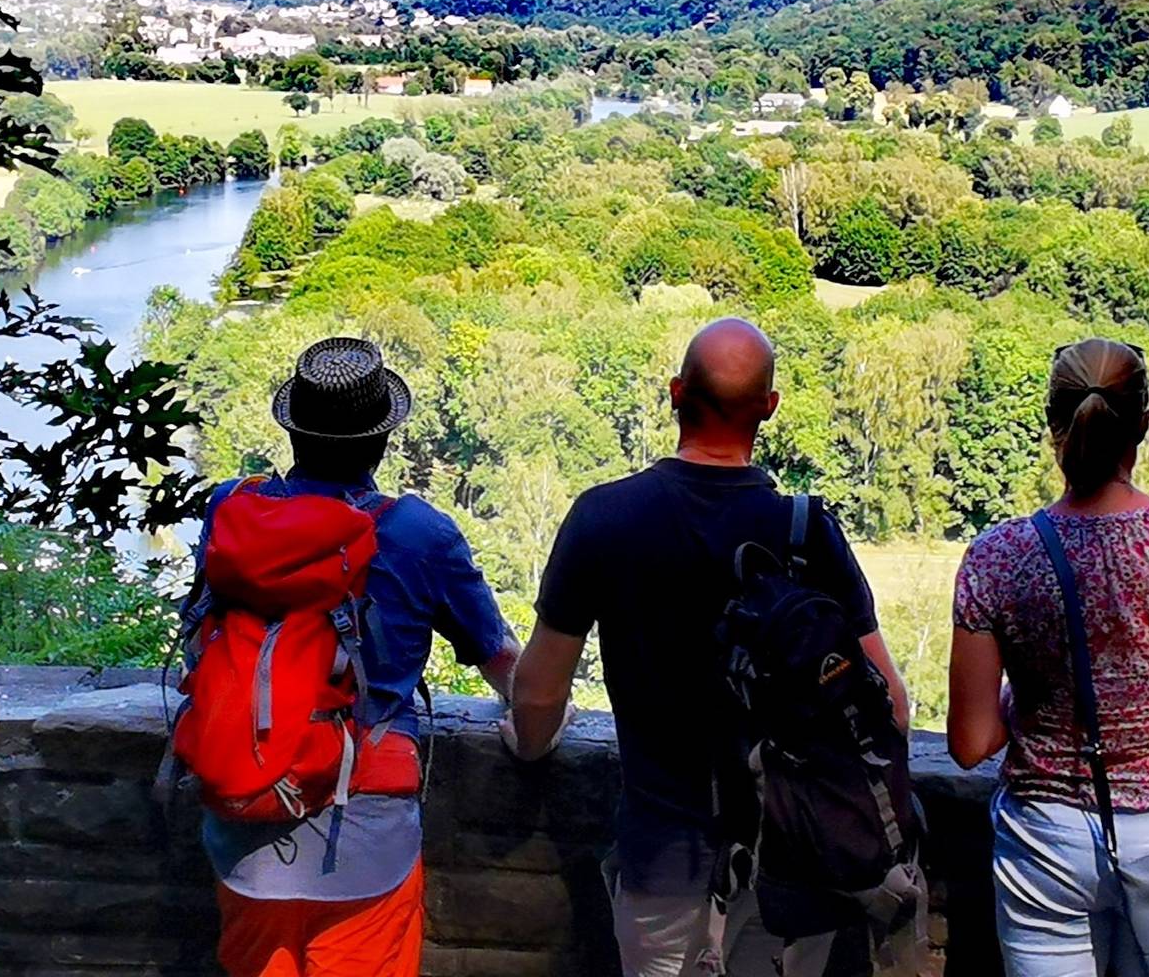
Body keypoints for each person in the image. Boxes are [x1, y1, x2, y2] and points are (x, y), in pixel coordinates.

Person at [508, 317, 912, 976]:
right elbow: (888, 703)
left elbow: (538, 694)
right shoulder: (806, 531)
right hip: (796, 866)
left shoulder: (605, 519)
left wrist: (528, 747)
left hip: (664, 857)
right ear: (769, 409)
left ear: (674, 393)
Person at [185, 336, 521, 977]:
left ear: (293, 433)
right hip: (365, 835)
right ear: (382, 441)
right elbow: (501, 661)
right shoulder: (419, 533)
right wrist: (536, 719)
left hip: (243, 817)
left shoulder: (231, 509)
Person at [946, 339, 1149, 977]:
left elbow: (970, 741)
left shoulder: (997, 556)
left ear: (1053, 425)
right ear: (1144, 425)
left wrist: (1031, 695)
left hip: (1046, 844)